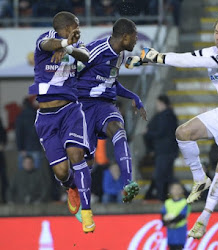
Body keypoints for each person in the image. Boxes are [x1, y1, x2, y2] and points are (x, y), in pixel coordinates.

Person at [133, 15, 218, 239]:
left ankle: (204, 218)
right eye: (217, 32)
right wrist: (154, 58)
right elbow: (185, 56)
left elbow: (189, 62)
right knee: (183, 133)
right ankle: (200, 179)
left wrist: (158, 57)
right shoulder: (212, 51)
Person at [28, 11, 95, 233]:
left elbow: (85, 57)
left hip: (70, 110)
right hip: (46, 116)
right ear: (66, 27)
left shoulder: (77, 46)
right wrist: (63, 43)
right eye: (76, 27)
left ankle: (86, 211)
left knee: (77, 156)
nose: (79, 31)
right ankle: (70, 187)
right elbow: (48, 45)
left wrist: (67, 48)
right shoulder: (45, 39)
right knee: (61, 171)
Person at [76, 18, 146, 203]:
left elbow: (111, 82)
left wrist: (134, 96)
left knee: (118, 130)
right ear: (124, 37)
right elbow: (70, 72)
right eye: (134, 37)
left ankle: (128, 183)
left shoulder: (120, 55)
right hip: (83, 106)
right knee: (86, 162)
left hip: (104, 106)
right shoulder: (94, 50)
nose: (136, 40)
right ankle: (76, 195)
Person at [143, 94, 178, 201]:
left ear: (162, 104)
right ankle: (164, 197)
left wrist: (148, 133)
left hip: (165, 151)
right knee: (167, 176)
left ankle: (161, 198)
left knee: (160, 176)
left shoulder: (165, 116)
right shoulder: (169, 116)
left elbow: (160, 132)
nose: (156, 106)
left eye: (158, 104)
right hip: (166, 151)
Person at [161, 182, 190, 250]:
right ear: (170, 191)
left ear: (182, 190)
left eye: (178, 189)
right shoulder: (167, 202)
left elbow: (182, 215)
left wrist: (171, 222)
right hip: (171, 231)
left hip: (180, 229)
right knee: (171, 247)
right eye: (174, 189)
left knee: (179, 247)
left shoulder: (185, 202)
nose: (176, 190)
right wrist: (166, 223)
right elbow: (163, 215)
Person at [15, 97, 43, 169]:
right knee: (37, 172)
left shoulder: (20, 117)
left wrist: (20, 148)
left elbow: (19, 134)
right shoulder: (37, 115)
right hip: (37, 147)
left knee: (23, 172)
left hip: (25, 148)